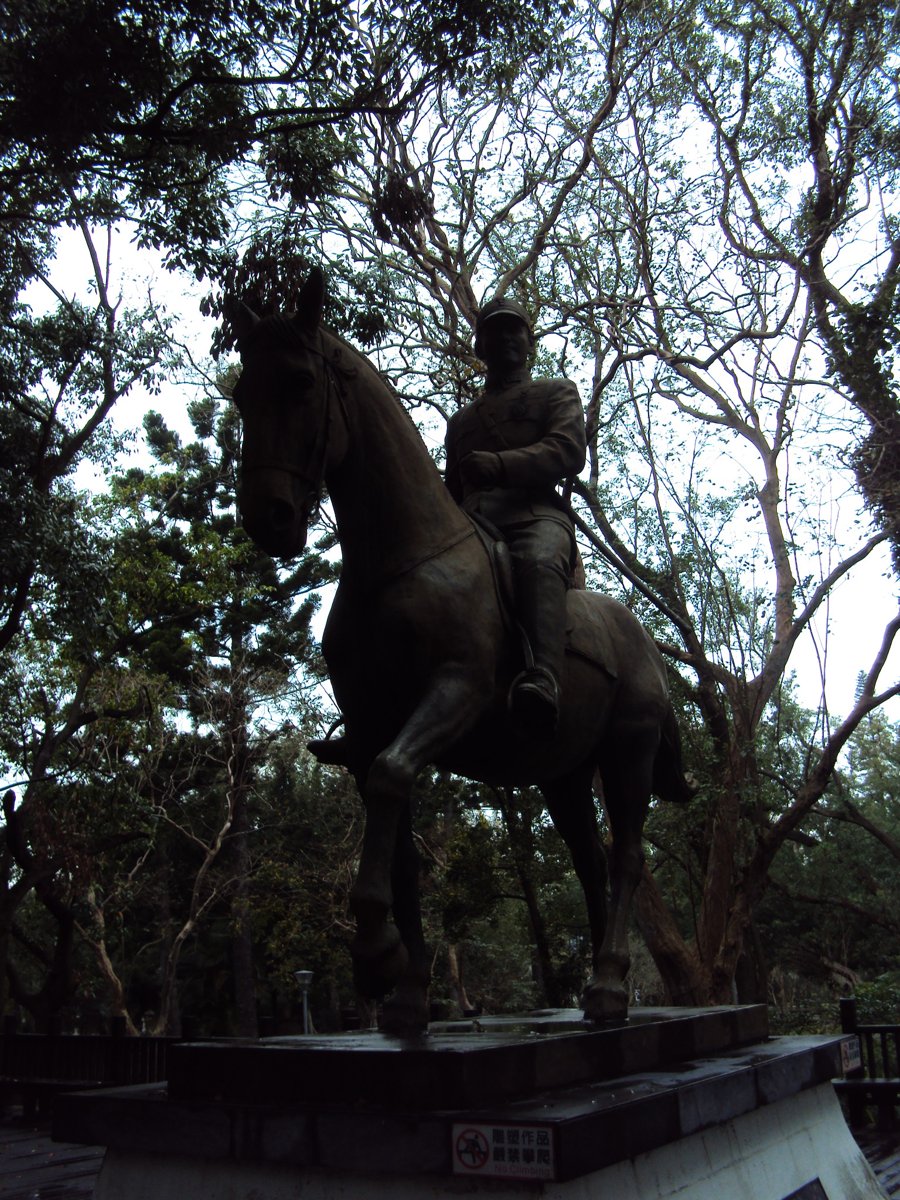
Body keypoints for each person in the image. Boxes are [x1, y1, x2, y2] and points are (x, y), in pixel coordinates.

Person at [444, 296, 586, 735]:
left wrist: (501, 466)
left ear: (529, 341)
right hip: (471, 526)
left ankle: (543, 675)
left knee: (539, 560)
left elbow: (567, 450)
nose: (505, 337)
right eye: (493, 331)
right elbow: (451, 492)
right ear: (479, 347)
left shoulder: (555, 393)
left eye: (514, 329)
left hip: (533, 516)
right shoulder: (461, 422)